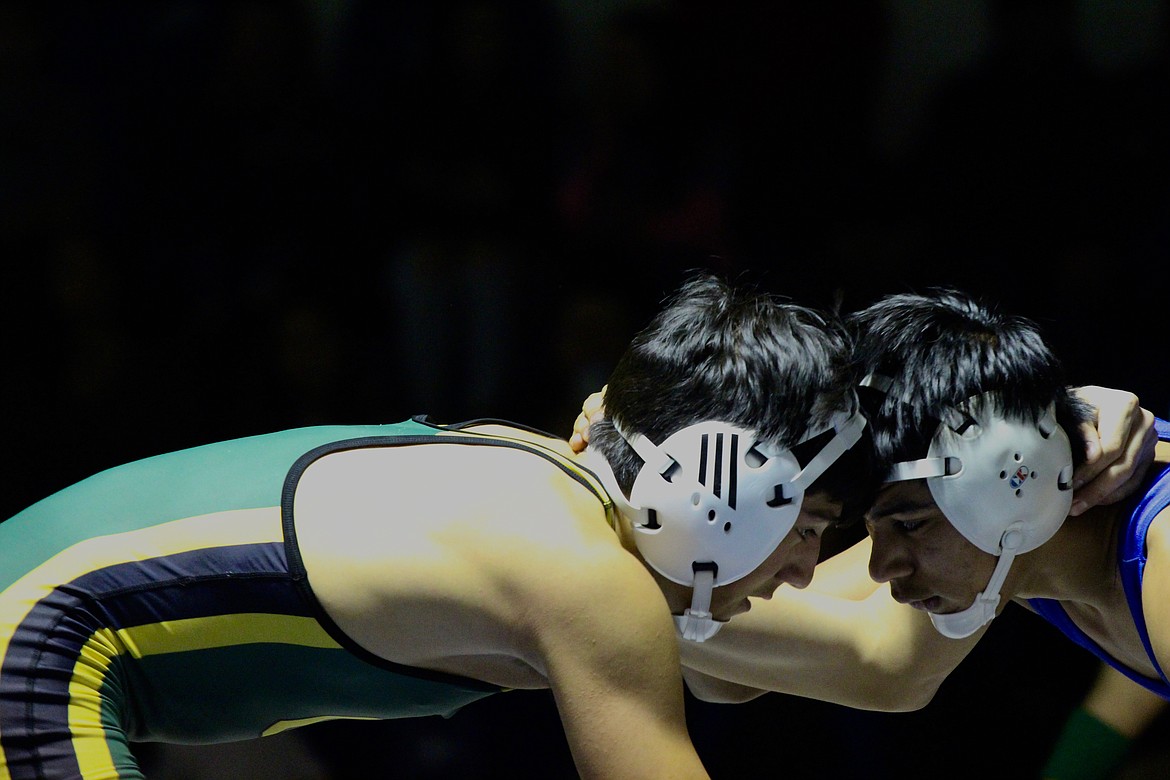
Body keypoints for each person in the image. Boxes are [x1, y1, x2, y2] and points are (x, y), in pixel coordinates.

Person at [0, 273, 871, 779]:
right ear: (719, 492)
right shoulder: (584, 576)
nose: (801, 569)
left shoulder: (540, 480)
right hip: (32, 644)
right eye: (808, 525)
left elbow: (782, 668)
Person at [569, 291, 1160, 712]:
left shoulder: (1160, 544)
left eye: (908, 522)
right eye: (878, 528)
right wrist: (641, 490)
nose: (882, 567)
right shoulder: (1002, 543)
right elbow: (741, 676)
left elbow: (882, 670)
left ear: (1017, 470)